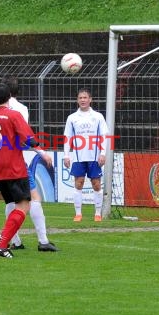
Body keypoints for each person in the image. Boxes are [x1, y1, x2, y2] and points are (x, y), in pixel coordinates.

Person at [0, 76, 58, 252]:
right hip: (14, 165)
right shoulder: (17, 112)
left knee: (11, 202)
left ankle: (14, 241)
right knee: (31, 200)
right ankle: (39, 241)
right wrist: (42, 153)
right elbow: (28, 139)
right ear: (10, 96)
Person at [63, 88, 109, 222]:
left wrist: (103, 153)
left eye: (85, 97)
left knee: (96, 184)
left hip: (94, 157)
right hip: (78, 157)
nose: (83, 100)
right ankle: (78, 214)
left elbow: (104, 136)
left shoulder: (98, 116)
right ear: (77, 100)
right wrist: (66, 155)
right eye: (80, 98)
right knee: (79, 183)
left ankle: (98, 213)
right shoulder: (72, 118)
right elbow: (67, 137)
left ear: (90, 99)